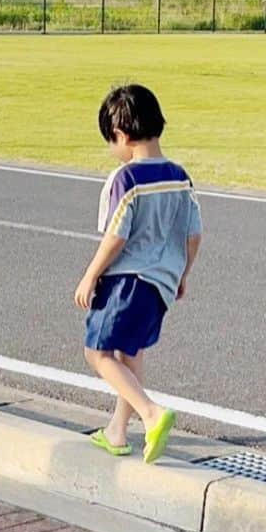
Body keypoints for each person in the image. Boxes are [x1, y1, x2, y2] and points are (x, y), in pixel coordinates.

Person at [74, 84, 202, 464]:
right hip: (161, 283)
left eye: (110, 141)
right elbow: (193, 234)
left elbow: (116, 236)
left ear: (121, 135)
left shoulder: (125, 179)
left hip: (126, 280)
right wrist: (182, 274)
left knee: (96, 352)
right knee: (130, 352)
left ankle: (151, 413)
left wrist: (90, 275)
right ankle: (117, 430)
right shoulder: (180, 177)